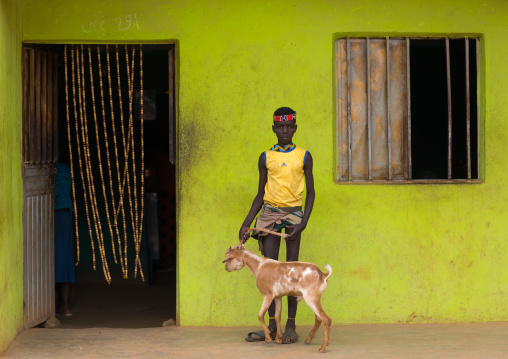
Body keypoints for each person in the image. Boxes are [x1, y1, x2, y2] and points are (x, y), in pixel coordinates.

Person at [239, 107, 315, 344]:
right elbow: (260, 194)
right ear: (274, 129)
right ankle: (272, 326)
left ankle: (291, 326)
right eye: (280, 127)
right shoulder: (266, 157)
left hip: (294, 216)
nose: (284, 131)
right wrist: (247, 223)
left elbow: (311, 194)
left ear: (294, 128)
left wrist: (302, 225)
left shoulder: (304, 156)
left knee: (292, 273)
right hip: (269, 213)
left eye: (289, 127)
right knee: (270, 273)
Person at [54, 161, 75, 316]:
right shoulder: (65, 169)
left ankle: (57, 305)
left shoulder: (46, 169)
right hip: (65, 215)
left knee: (50, 262)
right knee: (65, 260)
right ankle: (65, 306)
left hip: (50, 215)